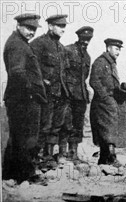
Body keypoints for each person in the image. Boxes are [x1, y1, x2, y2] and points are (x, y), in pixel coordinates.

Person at [2, 13, 48, 185]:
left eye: (34, 29)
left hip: (19, 99)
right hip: (24, 100)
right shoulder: (17, 45)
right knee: (27, 138)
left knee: (18, 137)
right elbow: (18, 73)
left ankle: (10, 175)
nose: (31, 32)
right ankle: (26, 175)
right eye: (29, 28)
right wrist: (32, 92)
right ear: (19, 26)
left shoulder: (19, 43)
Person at [30, 14, 71, 165]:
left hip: (59, 94)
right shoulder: (38, 44)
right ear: (50, 26)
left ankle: (47, 156)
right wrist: (42, 82)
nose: (63, 29)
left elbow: (64, 72)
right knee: (43, 126)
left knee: (56, 126)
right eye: (60, 26)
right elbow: (31, 68)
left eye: (64, 26)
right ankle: (34, 159)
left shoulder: (61, 48)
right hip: (44, 94)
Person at [89, 38, 126, 165]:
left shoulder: (111, 63)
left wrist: (121, 91)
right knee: (108, 129)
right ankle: (111, 157)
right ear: (108, 48)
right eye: (116, 49)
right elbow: (94, 81)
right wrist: (105, 97)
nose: (118, 52)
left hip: (110, 101)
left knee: (108, 129)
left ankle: (103, 159)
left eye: (119, 49)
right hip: (102, 102)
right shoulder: (100, 62)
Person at [64, 26, 93, 162]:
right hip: (68, 94)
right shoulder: (68, 50)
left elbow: (84, 77)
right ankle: (61, 154)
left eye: (88, 39)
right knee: (66, 123)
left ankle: (73, 153)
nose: (86, 42)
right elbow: (62, 72)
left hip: (81, 95)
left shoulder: (87, 57)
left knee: (78, 124)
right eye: (83, 39)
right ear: (78, 37)